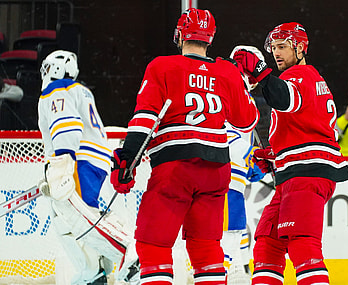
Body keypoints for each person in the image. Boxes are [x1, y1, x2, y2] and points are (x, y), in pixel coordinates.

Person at [110, 8, 260, 285]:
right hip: (216, 170)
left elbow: (145, 118)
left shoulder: (162, 67)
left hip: (175, 167)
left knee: (153, 246)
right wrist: (242, 82)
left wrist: (128, 158)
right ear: (211, 38)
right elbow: (248, 120)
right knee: (206, 250)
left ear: (179, 35)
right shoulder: (226, 71)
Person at [233, 22, 348, 285]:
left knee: (302, 244)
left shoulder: (300, 75)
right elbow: (306, 127)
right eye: (273, 48)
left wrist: (261, 72)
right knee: (267, 243)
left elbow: (284, 98)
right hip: (295, 174)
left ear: (300, 48)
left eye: (282, 47)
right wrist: (274, 155)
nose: (276, 53)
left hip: (307, 173)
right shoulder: (306, 78)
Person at [37, 50, 138, 285]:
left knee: (82, 218)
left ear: (54, 69)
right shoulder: (81, 90)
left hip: (77, 159)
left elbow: (67, 125)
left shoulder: (55, 89)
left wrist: (61, 163)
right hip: (92, 158)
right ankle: (92, 272)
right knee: (63, 220)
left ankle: (129, 257)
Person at [221, 45, 266, 285]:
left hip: (231, 177)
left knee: (235, 230)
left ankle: (235, 267)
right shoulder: (231, 86)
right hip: (222, 176)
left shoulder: (232, 86)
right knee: (226, 234)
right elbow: (223, 134)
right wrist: (250, 155)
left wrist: (249, 161)